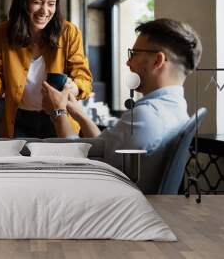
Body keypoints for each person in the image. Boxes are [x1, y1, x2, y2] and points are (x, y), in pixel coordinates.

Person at [42, 18, 203, 194]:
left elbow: (77, 164)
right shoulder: (176, 109)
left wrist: (58, 113)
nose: (128, 63)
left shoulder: (146, 117)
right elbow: (104, 150)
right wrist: (78, 113)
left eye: (133, 54)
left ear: (157, 61)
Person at [0, 0, 92, 138]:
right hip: (18, 121)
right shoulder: (2, 33)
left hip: (59, 118)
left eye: (51, 4)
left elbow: (84, 81)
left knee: (59, 164)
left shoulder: (69, 32)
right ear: (23, 2)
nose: (45, 11)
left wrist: (71, 88)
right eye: (37, 2)